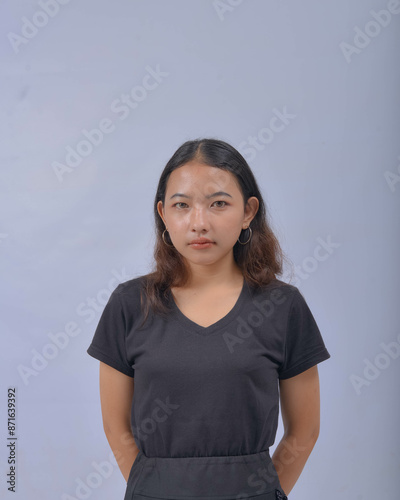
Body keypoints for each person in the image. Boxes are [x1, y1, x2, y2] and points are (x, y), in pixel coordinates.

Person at [87, 138, 331, 500]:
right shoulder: (131, 304)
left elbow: (305, 430)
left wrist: (263, 491)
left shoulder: (282, 306)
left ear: (248, 212)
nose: (199, 222)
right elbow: (116, 426)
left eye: (218, 203)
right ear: (163, 215)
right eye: (182, 205)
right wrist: (149, 486)